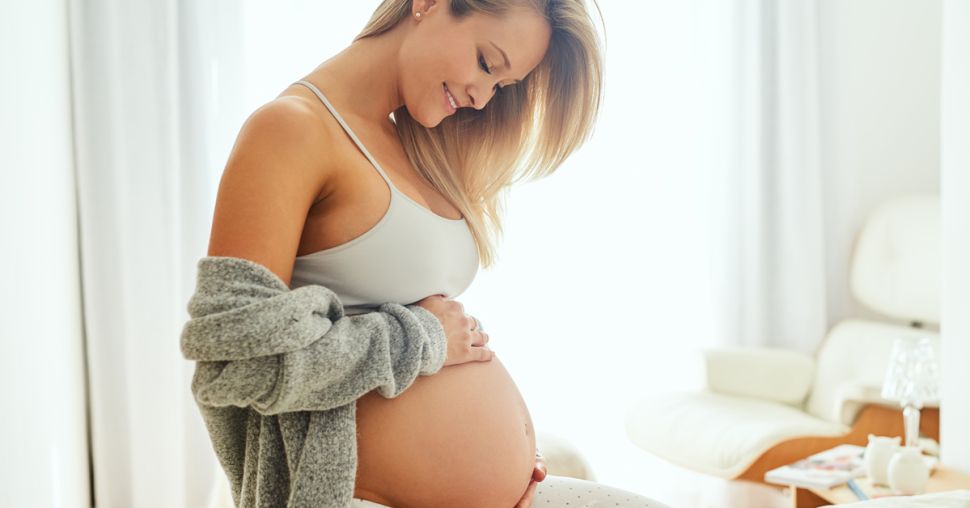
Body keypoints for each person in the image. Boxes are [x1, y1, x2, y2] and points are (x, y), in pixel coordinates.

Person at [204, 0, 664, 505]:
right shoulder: (290, 130)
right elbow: (232, 363)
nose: (484, 98)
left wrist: (499, 454)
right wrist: (422, 337)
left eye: (502, 87)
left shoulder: (417, 145)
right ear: (427, 4)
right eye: (488, 64)